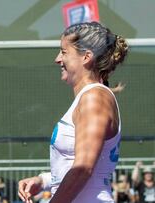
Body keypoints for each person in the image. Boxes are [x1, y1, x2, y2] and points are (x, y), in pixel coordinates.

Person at [17, 21, 129, 203]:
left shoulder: (94, 98)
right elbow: (81, 165)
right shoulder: (89, 97)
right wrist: (44, 180)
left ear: (86, 57)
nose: (57, 59)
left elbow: (84, 168)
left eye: (64, 52)